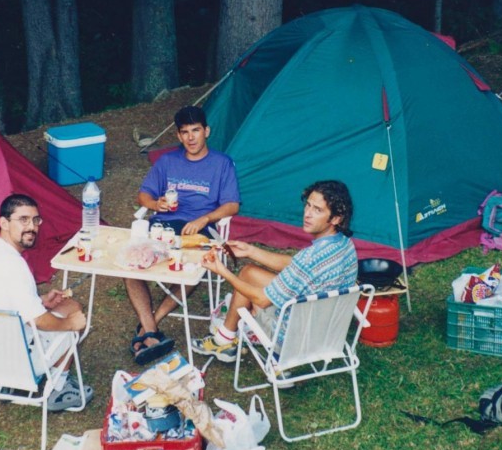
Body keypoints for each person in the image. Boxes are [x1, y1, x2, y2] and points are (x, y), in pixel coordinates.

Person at [192, 180, 358, 363]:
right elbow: (296, 265)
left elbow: (262, 299)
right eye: (308, 205)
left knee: (250, 293)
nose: (308, 214)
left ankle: (223, 340)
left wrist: (222, 271)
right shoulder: (345, 245)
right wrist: (250, 251)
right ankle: (226, 335)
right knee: (248, 272)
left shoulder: (311, 258)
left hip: (291, 339)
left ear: (336, 218)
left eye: (317, 210)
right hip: (327, 333)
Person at [125, 105, 241, 365]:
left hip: (199, 228)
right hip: (164, 225)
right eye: (185, 132)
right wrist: (157, 205)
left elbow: (232, 205)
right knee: (130, 267)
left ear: (206, 131)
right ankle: (151, 331)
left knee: (194, 267)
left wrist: (206, 218)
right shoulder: (167, 161)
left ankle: (150, 325)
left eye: (196, 131)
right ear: (178, 136)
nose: (191, 138)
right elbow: (143, 196)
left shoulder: (222, 163)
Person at [0, 193, 93, 412]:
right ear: (3, 223)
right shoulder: (15, 266)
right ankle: (59, 388)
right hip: (15, 362)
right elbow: (39, 320)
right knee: (74, 311)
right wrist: (71, 325)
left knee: (64, 309)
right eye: (23, 220)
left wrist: (40, 300)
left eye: (35, 220)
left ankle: (6, 386)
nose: (32, 227)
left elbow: (0, 296)